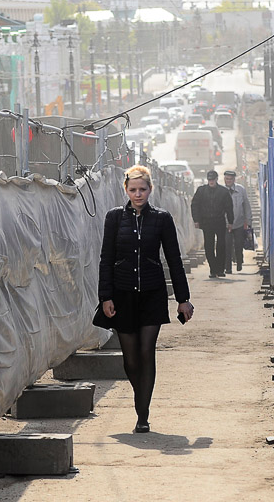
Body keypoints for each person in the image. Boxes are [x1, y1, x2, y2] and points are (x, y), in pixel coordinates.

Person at [99, 165, 194, 433]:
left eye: (142, 189)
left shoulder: (162, 219)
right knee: (130, 360)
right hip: (123, 295)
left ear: (150, 189)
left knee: (146, 352)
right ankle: (140, 395)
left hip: (153, 294)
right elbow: (106, 259)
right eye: (133, 189)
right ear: (126, 190)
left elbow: (174, 259)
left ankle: (143, 414)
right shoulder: (114, 218)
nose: (138, 194)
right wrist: (106, 296)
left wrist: (183, 298)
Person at [190, 170, 234, 278]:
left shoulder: (223, 192)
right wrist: (196, 220)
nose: (211, 181)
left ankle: (220, 269)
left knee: (221, 245)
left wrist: (230, 222)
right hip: (207, 222)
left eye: (213, 179)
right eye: (209, 179)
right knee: (209, 246)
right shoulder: (201, 191)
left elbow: (229, 207)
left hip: (219, 222)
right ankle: (213, 269)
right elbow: (194, 205)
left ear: (216, 179)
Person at [222, 170, 252, 273]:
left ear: (234, 180)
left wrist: (248, 221)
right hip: (226, 224)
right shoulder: (221, 191)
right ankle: (228, 267)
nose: (228, 181)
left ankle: (239, 261)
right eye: (227, 179)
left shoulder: (241, 190)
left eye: (230, 179)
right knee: (227, 245)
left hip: (239, 223)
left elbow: (246, 205)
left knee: (239, 244)